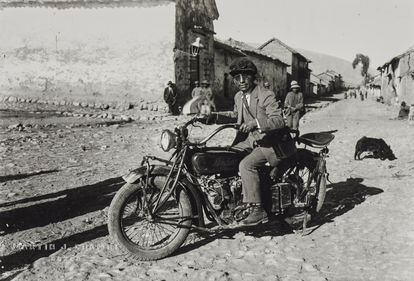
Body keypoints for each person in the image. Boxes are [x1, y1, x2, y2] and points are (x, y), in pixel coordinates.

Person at [205, 58, 296, 226]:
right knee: (223, 158)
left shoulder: (265, 94)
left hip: (269, 142)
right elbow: (236, 116)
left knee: (246, 165)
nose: (240, 81)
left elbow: (278, 120)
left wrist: (256, 123)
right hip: (249, 141)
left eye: (245, 77)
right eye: (236, 77)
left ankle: (257, 209)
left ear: (252, 77)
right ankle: (229, 202)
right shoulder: (238, 97)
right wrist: (213, 117)